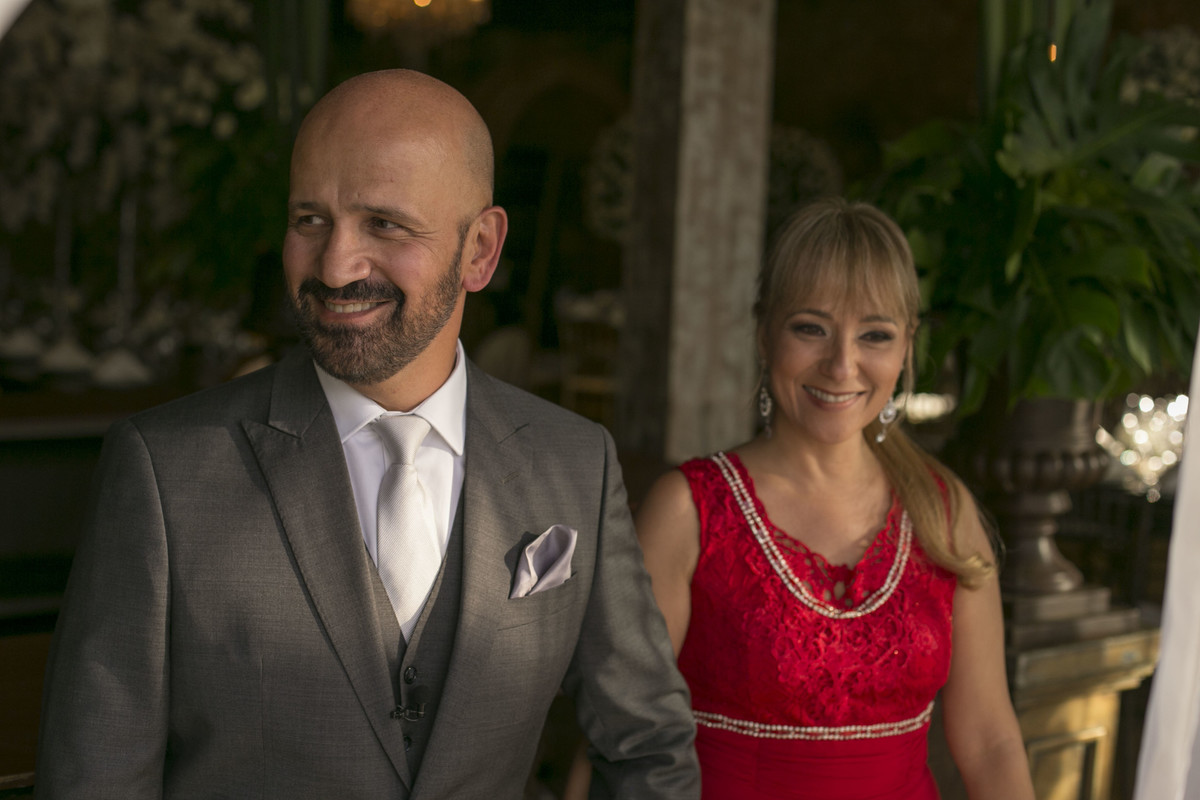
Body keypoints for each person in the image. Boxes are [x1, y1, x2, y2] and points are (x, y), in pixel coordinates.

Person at [35, 69, 699, 800]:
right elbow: (94, 778)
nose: (335, 264)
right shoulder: (163, 470)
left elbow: (647, 748)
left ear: (480, 249)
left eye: (385, 223)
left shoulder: (576, 462)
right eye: (309, 219)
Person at [635, 198, 1035, 799]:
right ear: (765, 333)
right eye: (811, 328)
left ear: (906, 350)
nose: (842, 364)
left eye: (874, 334)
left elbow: (989, 741)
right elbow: (626, 735)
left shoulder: (944, 511)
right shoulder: (687, 510)